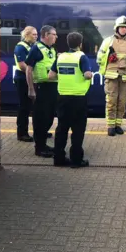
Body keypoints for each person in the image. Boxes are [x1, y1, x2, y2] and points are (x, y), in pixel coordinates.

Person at [48, 32, 92, 168]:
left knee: (62, 128)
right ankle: (76, 160)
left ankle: (59, 158)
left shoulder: (60, 57)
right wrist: (87, 75)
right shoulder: (82, 57)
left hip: (63, 98)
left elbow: (50, 76)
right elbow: (87, 75)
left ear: (68, 43)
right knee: (78, 130)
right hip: (78, 98)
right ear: (80, 44)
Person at [96, 15, 126, 137]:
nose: (124, 30)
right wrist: (108, 57)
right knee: (111, 101)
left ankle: (118, 125)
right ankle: (110, 126)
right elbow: (99, 58)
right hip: (112, 76)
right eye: (122, 27)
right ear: (117, 28)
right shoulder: (108, 41)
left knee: (122, 102)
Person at [25, 25, 58, 158]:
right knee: (41, 118)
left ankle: (43, 144)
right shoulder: (36, 49)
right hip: (41, 87)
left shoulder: (52, 50)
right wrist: (31, 89)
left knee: (49, 117)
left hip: (52, 87)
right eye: (53, 34)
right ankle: (39, 148)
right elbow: (29, 69)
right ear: (45, 35)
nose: (56, 37)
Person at [13, 26, 37, 142]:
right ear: (27, 35)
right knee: (24, 107)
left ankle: (39, 131)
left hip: (30, 79)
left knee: (34, 107)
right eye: (33, 34)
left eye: (36, 34)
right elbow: (22, 65)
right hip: (22, 79)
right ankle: (22, 133)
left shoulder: (32, 46)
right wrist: (33, 73)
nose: (36, 36)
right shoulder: (20, 47)